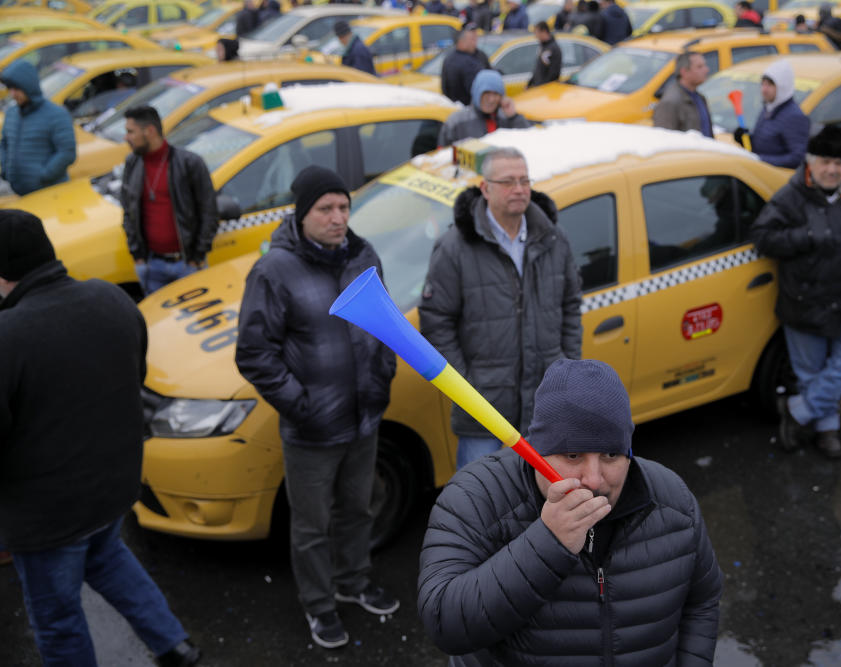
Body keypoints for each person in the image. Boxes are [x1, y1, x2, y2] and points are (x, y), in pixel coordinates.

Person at [418, 358, 723, 665]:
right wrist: (548, 543)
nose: (593, 478)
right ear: (537, 452)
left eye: (610, 454)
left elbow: (702, 600)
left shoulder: (673, 500)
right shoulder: (476, 496)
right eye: (573, 454)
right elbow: (444, 624)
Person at [0, 209, 201, 667]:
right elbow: (135, 377)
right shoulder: (112, 300)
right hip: (113, 489)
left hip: (49, 516)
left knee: (58, 619)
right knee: (108, 558)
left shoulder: (8, 335)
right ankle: (175, 644)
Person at [235, 166, 399, 650]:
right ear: (302, 214)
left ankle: (354, 581)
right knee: (311, 525)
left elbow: (383, 321)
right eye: (325, 209)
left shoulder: (362, 254)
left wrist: (381, 373)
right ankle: (319, 604)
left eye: (343, 207)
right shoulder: (274, 270)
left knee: (359, 507)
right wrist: (300, 404)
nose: (337, 217)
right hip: (311, 429)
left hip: (364, 417)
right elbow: (253, 353)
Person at [419, 147, 582, 469]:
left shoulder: (553, 238)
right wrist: (465, 387)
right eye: (508, 182)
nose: (520, 189)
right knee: (481, 506)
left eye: (524, 180)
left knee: (541, 505)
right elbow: (436, 321)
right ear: (485, 188)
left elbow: (570, 305)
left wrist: (567, 367)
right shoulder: (455, 248)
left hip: (544, 405)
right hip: (483, 412)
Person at [750, 125, 841, 458]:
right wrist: (804, 237)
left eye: (840, 163)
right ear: (811, 162)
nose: (832, 170)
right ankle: (827, 431)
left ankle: (798, 411)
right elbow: (762, 237)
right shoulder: (790, 197)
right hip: (805, 304)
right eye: (826, 162)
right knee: (810, 374)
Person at [120, 106, 217, 296]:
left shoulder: (189, 163)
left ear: (150, 131)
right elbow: (127, 212)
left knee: (194, 320)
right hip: (151, 265)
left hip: (187, 265)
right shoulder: (132, 163)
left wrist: (197, 256)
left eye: (130, 132)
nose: (126, 137)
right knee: (160, 325)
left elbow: (209, 211)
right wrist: (138, 256)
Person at [0, 60, 76, 197]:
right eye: (10, 89)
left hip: (49, 193)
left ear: (28, 86)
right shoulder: (12, 113)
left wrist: (43, 176)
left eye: (17, 89)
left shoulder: (56, 114)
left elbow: (67, 152)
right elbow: (4, 144)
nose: (13, 94)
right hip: (20, 194)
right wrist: (6, 169)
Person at [734, 60, 810, 169]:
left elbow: (798, 158)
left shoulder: (794, 116)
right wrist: (746, 139)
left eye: (769, 85)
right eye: (763, 84)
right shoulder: (769, 107)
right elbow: (766, 143)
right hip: (762, 173)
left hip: (777, 179)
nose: (764, 90)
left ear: (782, 87)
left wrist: (760, 160)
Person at [437, 69, 531, 146]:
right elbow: (442, 156)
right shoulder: (456, 122)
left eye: (496, 94)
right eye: (486, 93)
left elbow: (529, 142)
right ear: (476, 93)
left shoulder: (507, 118)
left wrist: (513, 117)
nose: (491, 99)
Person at [653, 51, 713, 137]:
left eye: (704, 65)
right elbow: (664, 139)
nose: (706, 70)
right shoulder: (670, 102)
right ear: (684, 72)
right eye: (699, 67)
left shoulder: (699, 97)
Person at [441, 23, 490, 105]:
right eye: (472, 39)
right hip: (465, 107)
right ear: (461, 42)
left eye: (476, 38)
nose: (475, 42)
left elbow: (489, 72)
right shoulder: (453, 60)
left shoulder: (479, 55)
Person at [528, 21, 562, 88]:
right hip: (538, 88)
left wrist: (544, 87)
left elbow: (554, 73)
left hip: (546, 90)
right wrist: (530, 83)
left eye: (537, 33)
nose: (536, 36)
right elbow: (538, 68)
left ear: (544, 32)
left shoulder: (554, 49)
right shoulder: (543, 47)